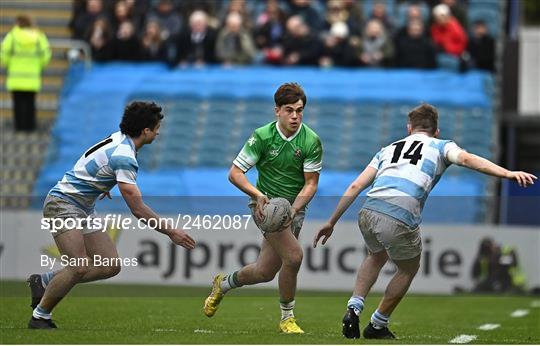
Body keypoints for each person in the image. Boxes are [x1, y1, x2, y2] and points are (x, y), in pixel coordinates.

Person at [313, 103, 536, 339]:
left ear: (409, 128)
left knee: (375, 256)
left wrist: (331, 221)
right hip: (399, 213)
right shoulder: (441, 146)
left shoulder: (388, 149)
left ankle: (354, 307)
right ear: (436, 131)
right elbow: (469, 160)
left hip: (368, 211)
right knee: (409, 268)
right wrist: (507, 173)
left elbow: (356, 185)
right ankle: (377, 324)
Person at [27, 101, 196, 329]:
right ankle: (40, 316)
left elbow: (95, 160)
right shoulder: (125, 156)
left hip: (82, 206)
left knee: (110, 266)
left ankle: (45, 280)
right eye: (156, 128)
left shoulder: (118, 139)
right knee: (78, 266)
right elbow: (137, 209)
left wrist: (100, 184)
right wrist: (171, 231)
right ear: (145, 131)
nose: (158, 133)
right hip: (63, 203)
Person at [203, 83, 323, 334]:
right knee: (294, 256)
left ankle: (223, 284)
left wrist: (294, 209)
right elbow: (235, 173)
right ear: (276, 110)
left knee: (265, 271)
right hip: (265, 207)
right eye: (289, 110)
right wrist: (258, 195)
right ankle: (287, 318)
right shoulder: (262, 136)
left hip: (293, 208)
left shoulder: (311, 140)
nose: (294, 116)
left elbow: (311, 184)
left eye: (299, 111)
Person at [0, 15, 51, 132]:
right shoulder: (39, 36)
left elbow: (4, 54)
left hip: (16, 77)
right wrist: (38, 66)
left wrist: (9, 64)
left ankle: (19, 127)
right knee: (30, 103)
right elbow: (46, 55)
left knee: (18, 104)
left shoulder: (12, 36)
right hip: (32, 77)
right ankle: (29, 127)